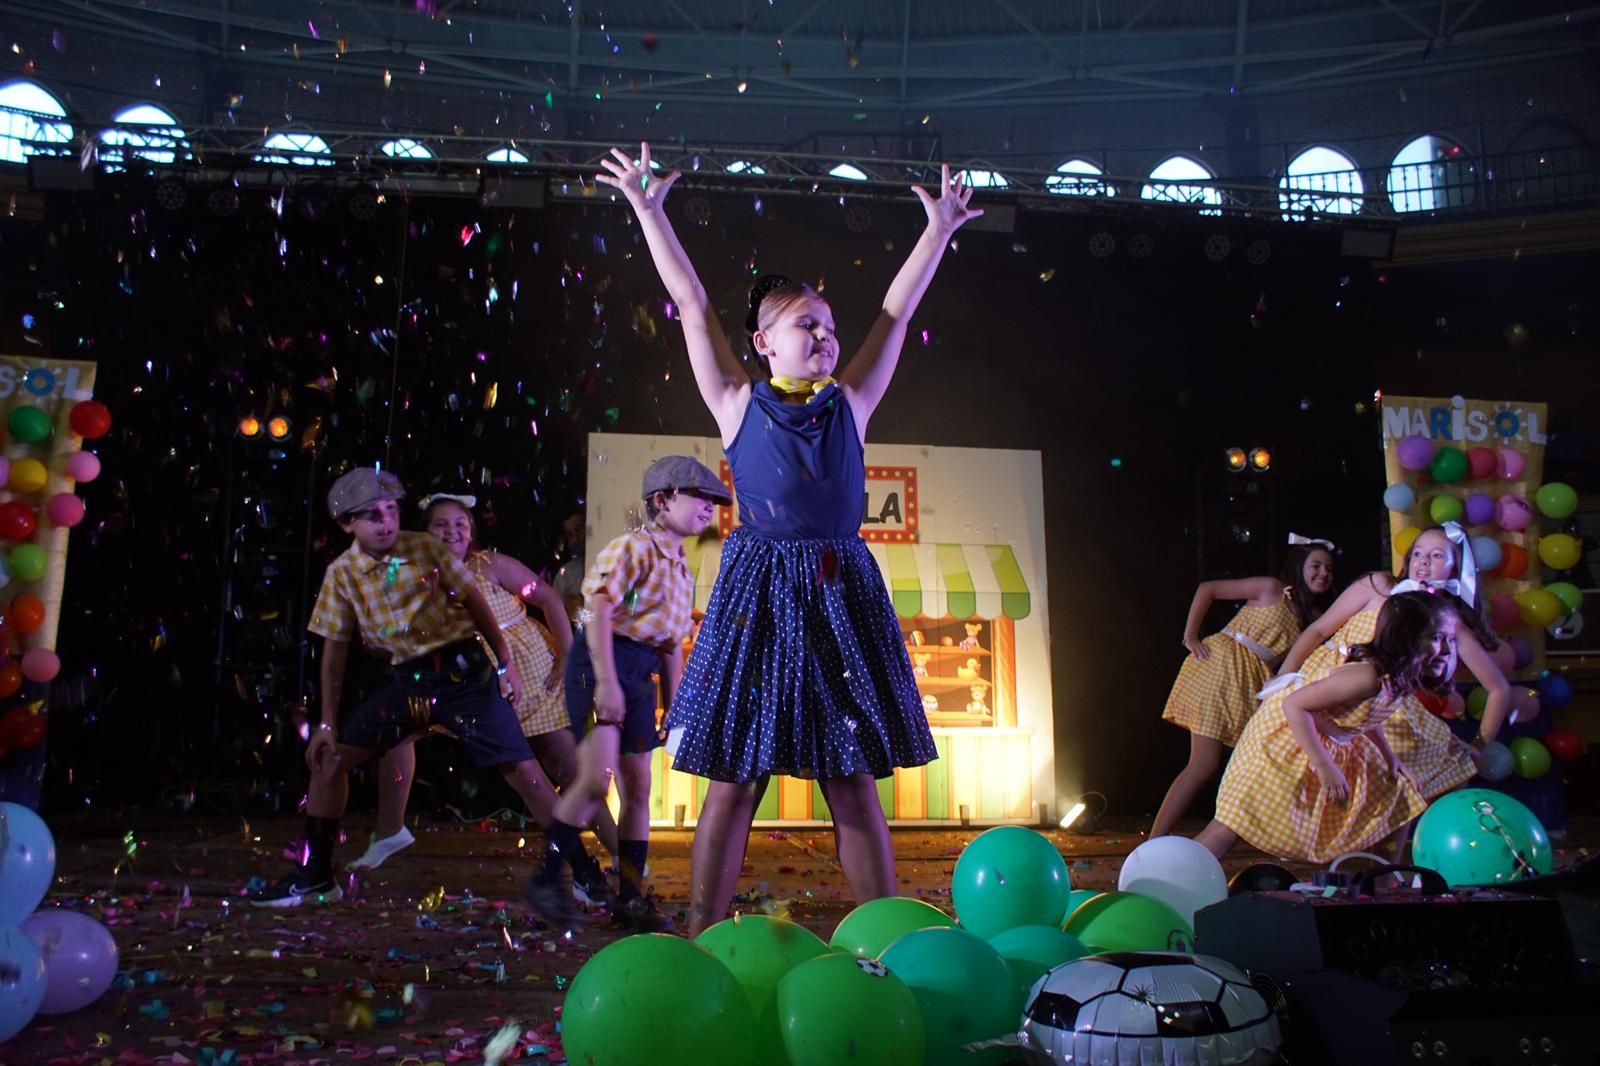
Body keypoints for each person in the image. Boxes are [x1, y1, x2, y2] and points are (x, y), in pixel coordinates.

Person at [593, 141, 981, 935]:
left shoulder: (852, 403)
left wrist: (937, 231)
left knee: (853, 779)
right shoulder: (736, 402)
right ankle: (702, 929)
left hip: (841, 590)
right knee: (734, 777)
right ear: (764, 342)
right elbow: (694, 306)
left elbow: (896, 313)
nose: (827, 335)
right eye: (808, 324)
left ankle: (887, 935)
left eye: (830, 325)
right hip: (759, 593)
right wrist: (647, 209)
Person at [249, 467, 605, 912]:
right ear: (347, 525)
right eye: (371, 516)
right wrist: (324, 721)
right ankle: (317, 875)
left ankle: (587, 875)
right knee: (330, 759)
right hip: (411, 685)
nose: (385, 522)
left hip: (466, 682)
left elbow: (480, 607)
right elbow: (334, 651)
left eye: (390, 511)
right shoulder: (344, 575)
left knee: (530, 777)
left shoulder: (432, 552)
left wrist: (507, 667)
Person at [347, 493, 621, 888]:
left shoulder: (487, 565)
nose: (452, 532)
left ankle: (617, 855)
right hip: (466, 679)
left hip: (529, 673)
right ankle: (390, 830)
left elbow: (546, 598)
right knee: (398, 732)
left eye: (460, 524)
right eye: (441, 525)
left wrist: (565, 653)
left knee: (563, 769)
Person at [525, 455, 728, 933]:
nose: (708, 508)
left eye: (713, 502)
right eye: (698, 497)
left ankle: (631, 897)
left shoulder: (679, 566)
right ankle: (545, 879)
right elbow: (594, 610)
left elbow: (669, 644)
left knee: (640, 788)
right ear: (661, 500)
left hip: (639, 674)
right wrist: (607, 680)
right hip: (600, 661)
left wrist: (674, 705)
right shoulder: (632, 549)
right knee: (597, 781)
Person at [1194, 591, 1460, 863]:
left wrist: (1390, 757)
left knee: (1399, 793)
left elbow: (1365, 717)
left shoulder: (1399, 679)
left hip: (1325, 735)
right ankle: (1170, 875)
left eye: (1451, 639)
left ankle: (1385, 882)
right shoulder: (1367, 677)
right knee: (1235, 822)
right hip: (1285, 739)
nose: (1449, 650)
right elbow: (1295, 705)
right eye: (1437, 638)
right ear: (1406, 638)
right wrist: (1324, 765)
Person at [1272, 522, 1511, 801]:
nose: (1423, 563)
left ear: (1456, 568)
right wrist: (1284, 677)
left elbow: (1498, 688)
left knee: (1438, 773)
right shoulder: (1378, 586)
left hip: (1381, 706)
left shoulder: (1446, 620)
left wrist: (1481, 745)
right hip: (1328, 686)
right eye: (1418, 553)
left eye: (1436, 556)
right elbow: (1318, 630)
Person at [1148, 538, 1336, 838]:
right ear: (1299, 566)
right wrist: (1190, 636)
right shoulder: (1271, 588)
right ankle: (1155, 841)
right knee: (1203, 763)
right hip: (1223, 662)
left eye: (1328, 568)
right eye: (1316, 565)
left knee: (1237, 765)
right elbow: (1208, 589)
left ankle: (1222, 837)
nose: (1323, 573)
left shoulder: (1312, 618)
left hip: (1252, 679)